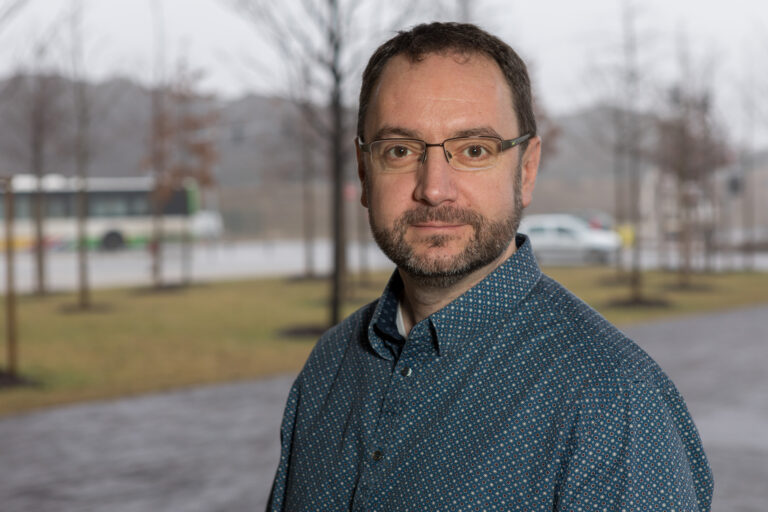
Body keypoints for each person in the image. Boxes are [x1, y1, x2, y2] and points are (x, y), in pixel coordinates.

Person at [267, 22, 713, 511]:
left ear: (526, 170)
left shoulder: (614, 402)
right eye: (400, 150)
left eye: (474, 150)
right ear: (363, 169)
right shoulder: (329, 365)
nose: (434, 189)